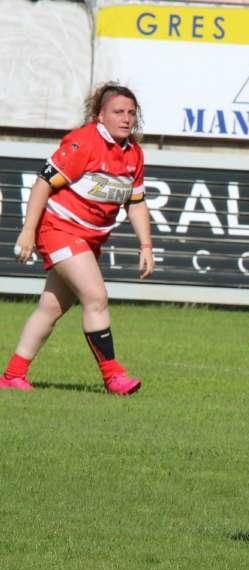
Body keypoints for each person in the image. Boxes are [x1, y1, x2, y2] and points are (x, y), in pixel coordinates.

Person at [0, 83, 153, 395]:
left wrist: (146, 245)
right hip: (59, 230)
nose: (125, 119)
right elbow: (43, 183)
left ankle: (12, 376)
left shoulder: (133, 154)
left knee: (51, 308)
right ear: (100, 116)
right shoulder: (83, 143)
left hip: (88, 239)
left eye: (130, 113)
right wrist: (28, 230)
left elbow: (135, 202)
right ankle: (114, 376)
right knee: (96, 297)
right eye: (117, 112)